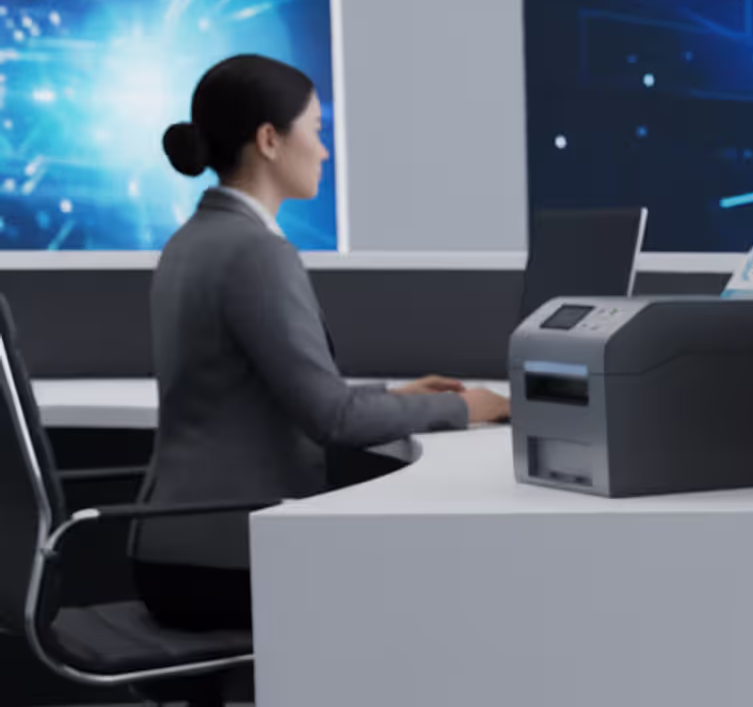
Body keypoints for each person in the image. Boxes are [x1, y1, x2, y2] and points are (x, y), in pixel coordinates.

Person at [133, 55, 510, 631]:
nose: (325, 151)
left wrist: (396, 394)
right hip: (226, 557)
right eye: (316, 130)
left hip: (172, 546)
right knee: (439, 588)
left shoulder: (191, 239)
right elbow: (332, 420)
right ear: (269, 140)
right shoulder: (257, 252)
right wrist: (467, 407)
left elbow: (259, 388)